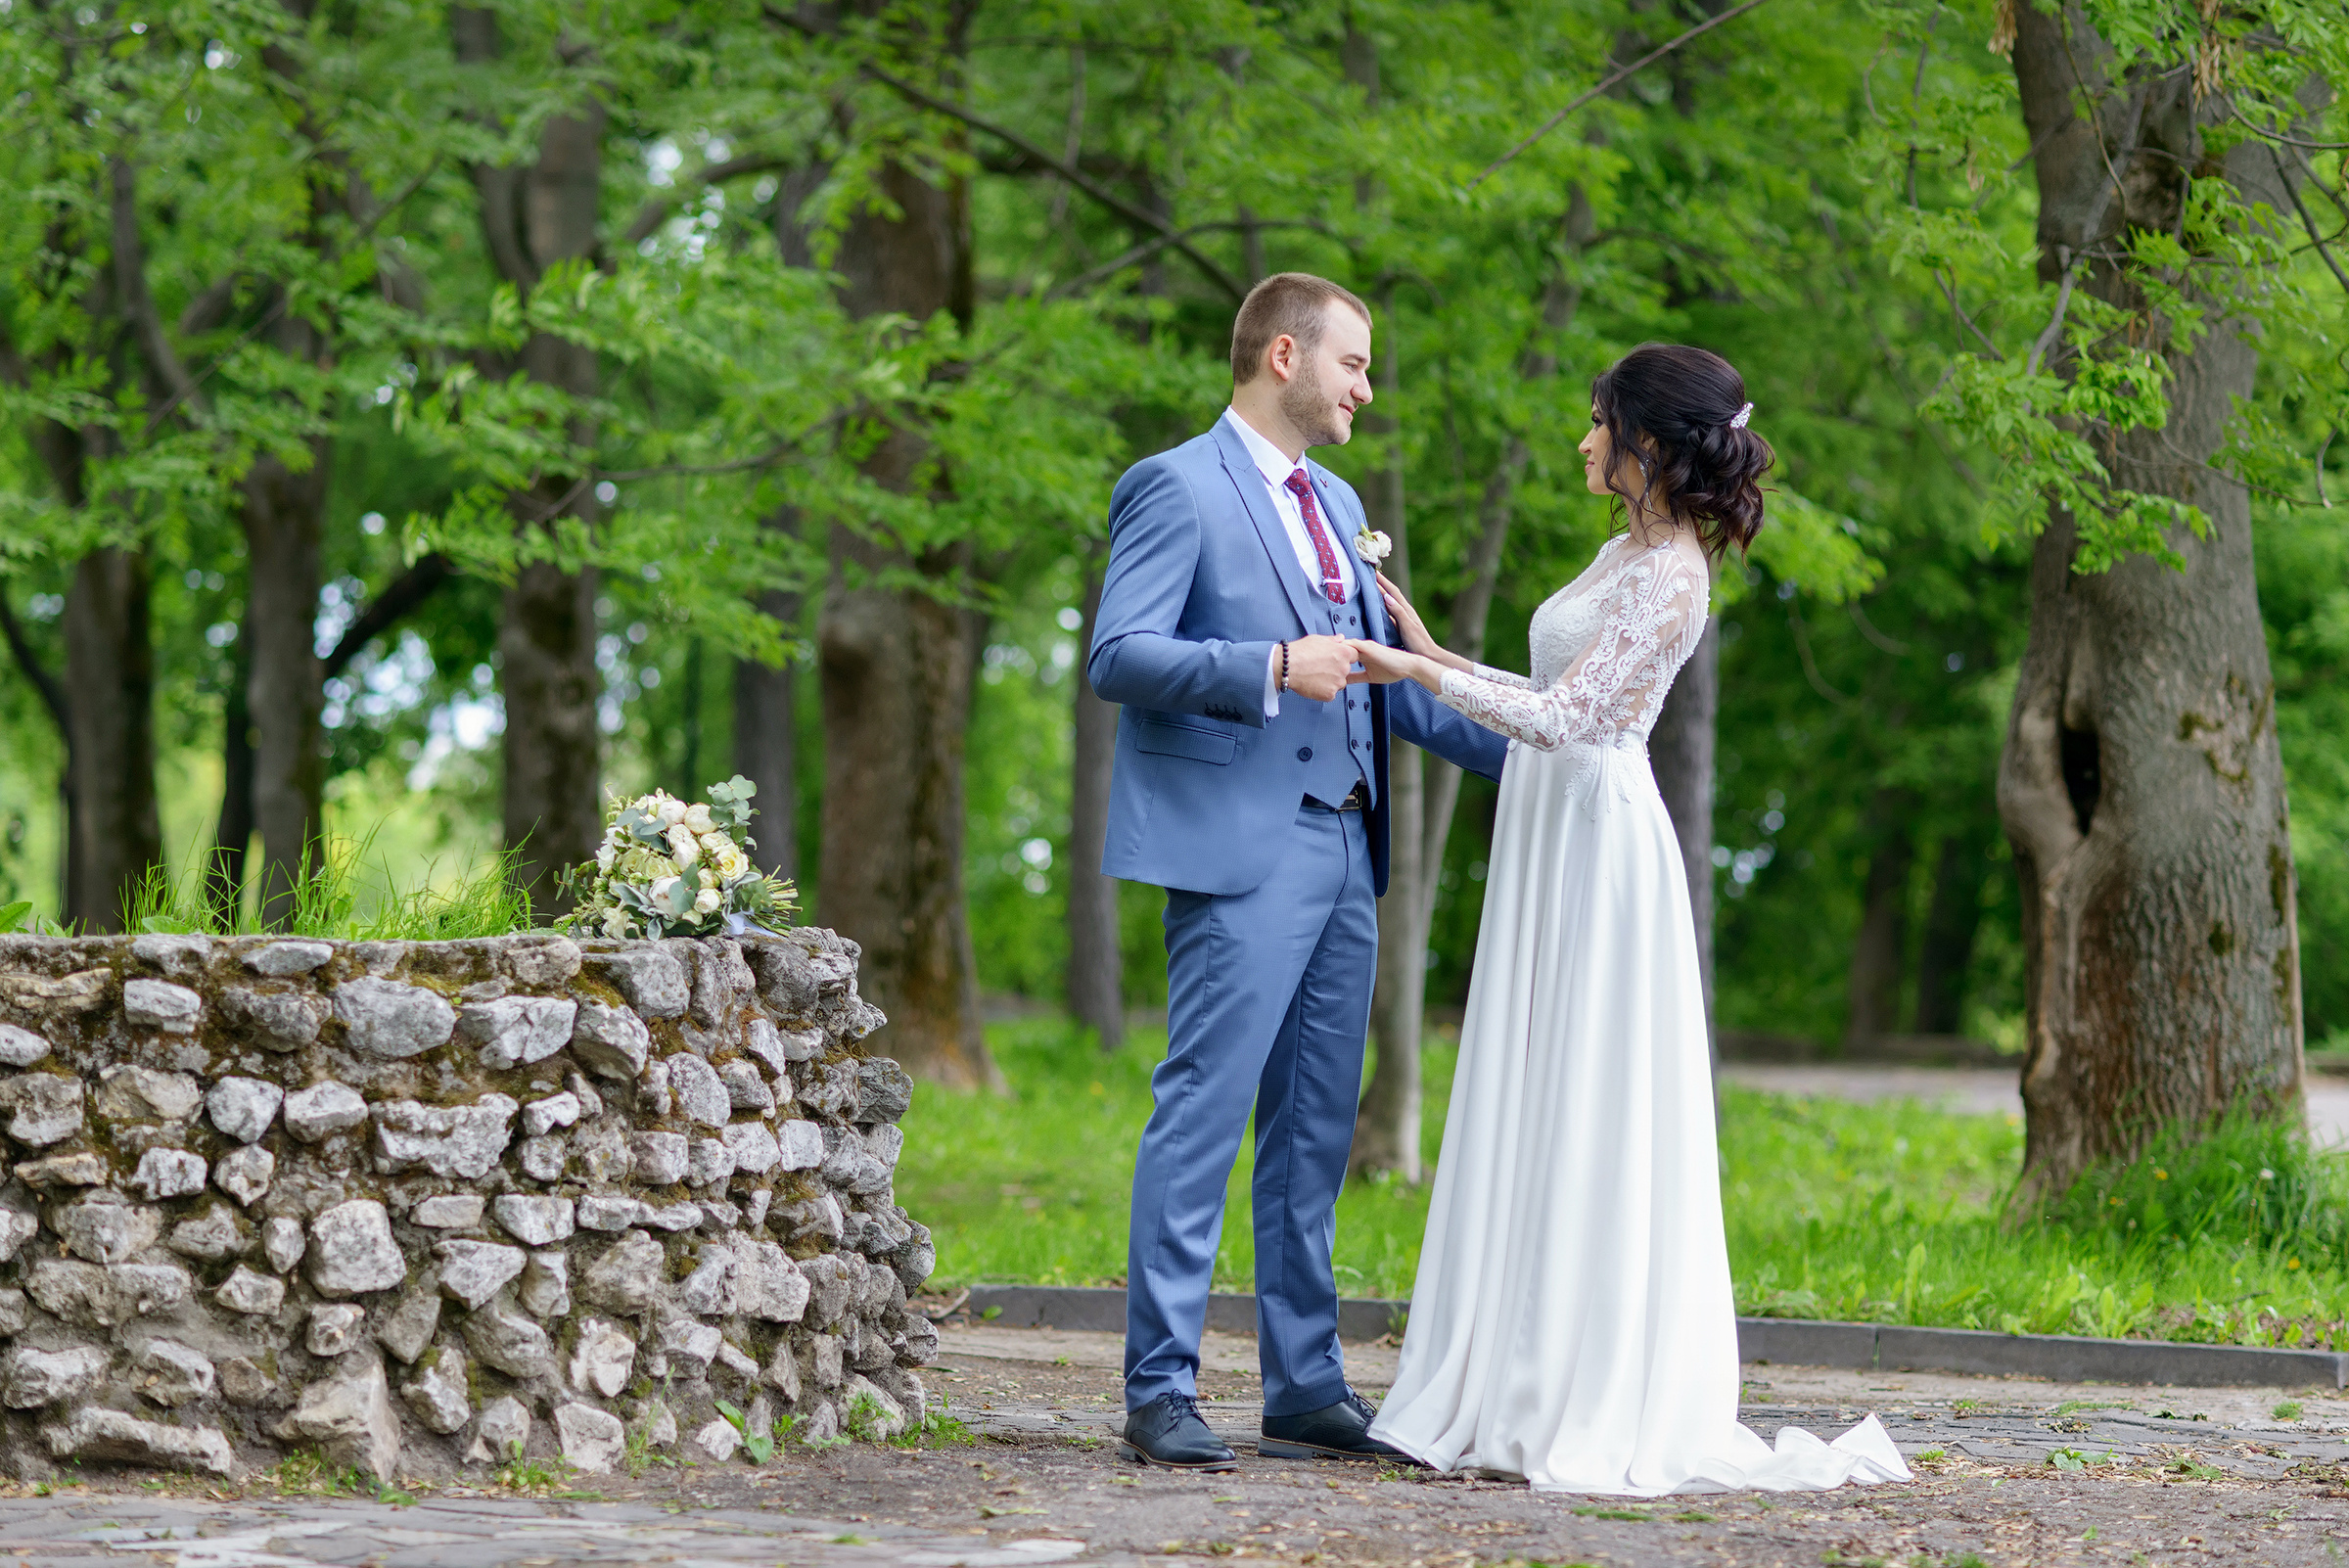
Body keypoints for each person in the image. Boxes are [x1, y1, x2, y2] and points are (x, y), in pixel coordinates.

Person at [1347, 344, 1911, 1495]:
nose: (1584, 441)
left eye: (1598, 423)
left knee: (1585, 1090)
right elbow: (1556, 693)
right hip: (1553, 823)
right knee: (1534, 1081)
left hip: (1597, 839)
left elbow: (1570, 724)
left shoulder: (1675, 579)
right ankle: (1500, 1371)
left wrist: (1410, 676)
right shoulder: (1625, 554)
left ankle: (1570, 1383)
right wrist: (1433, 649)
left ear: (1646, 441)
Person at [1086, 272, 1511, 1472]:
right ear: (1285, 356)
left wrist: (1547, 749)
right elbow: (1119, 654)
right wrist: (1270, 664)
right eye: (1354, 365)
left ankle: (1306, 1383)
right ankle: (1159, 1388)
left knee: (1315, 1125)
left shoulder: (1339, 500)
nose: (1366, 390)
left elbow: (1381, 676)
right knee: (1204, 1111)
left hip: (1346, 845)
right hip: (1239, 848)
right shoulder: (1175, 485)